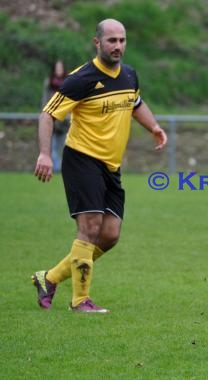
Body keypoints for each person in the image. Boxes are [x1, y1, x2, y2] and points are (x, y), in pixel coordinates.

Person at [32, 19, 167, 313]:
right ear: (98, 43)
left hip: (111, 167)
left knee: (110, 235)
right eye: (112, 41)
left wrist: (154, 127)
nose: (118, 46)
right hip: (82, 159)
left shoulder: (129, 75)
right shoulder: (81, 78)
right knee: (90, 227)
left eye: (122, 40)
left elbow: (136, 103)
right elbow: (47, 115)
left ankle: (49, 278)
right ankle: (80, 301)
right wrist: (44, 154)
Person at [41, 59, 69, 172]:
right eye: (57, 68)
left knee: (63, 147)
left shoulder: (68, 82)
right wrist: (44, 113)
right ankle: (56, 169)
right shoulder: (49, 83)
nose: (59, 70)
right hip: (51, 119)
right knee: (51, 147)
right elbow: (44, 100)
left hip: (64, 121)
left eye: (60, 68)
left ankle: (61, 168)